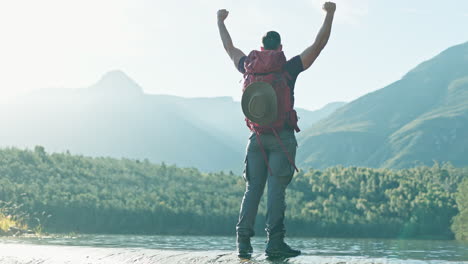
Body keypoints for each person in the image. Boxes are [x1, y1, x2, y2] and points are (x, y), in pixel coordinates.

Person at [217, 2, 336, 259]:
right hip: (281, 137)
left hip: (256, 138)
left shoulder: (248, 66)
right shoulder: (288, 68)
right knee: (276, 191)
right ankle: (275, 244)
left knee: (253, 190)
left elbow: (229, 48)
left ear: (261, 48)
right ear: (280, 48)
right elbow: (318, 45)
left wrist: (221, 21)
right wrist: (330, 14)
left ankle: (243, 244)